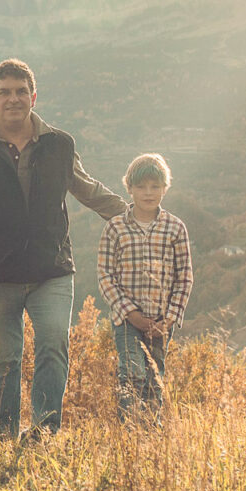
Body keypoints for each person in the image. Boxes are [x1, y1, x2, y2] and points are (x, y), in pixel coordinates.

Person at [0, 58, 128, 439]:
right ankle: (2, 433)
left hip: (51, 271)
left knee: (54, 345)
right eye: (5, 92)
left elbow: (88, 190)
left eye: (21, 91)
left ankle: (45, 432)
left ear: (34, 96)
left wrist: (136, 216)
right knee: (5, 358)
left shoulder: (59, 144)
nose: (13, 99)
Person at [97, 153, 194, 423]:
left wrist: (169, 318)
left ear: (165, 187)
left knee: (154, 377)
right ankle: (129, 432)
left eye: (154, 186)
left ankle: (151, 434)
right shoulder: (115, 228)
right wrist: (131, 314)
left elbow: (184, 277)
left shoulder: (175, 228)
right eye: (141, 187)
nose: (148, 193)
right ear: (129, 188)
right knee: (132, 372)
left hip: (161, 321)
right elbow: (105, 275)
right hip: (127, 320)